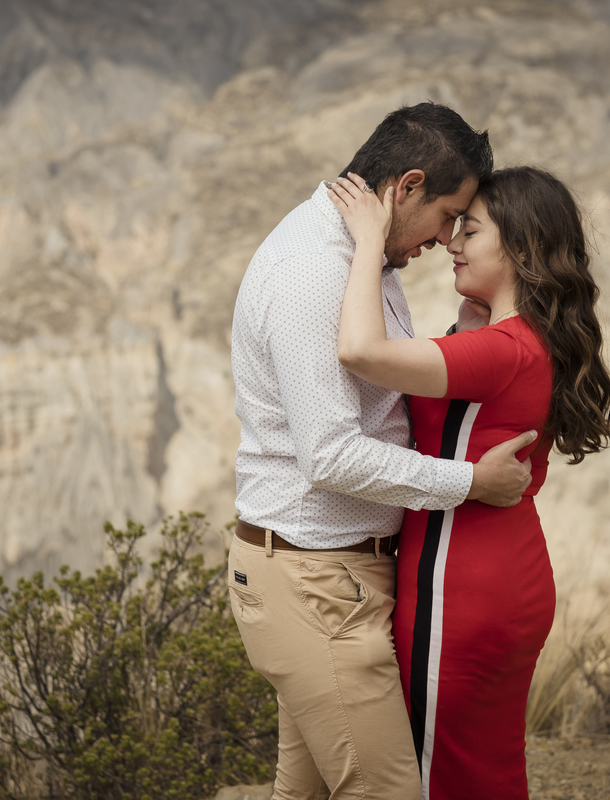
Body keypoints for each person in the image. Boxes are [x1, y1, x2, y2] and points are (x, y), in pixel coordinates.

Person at [228, 103, 537, 800]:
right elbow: (331, 455)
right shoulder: (315, 272)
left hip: (329, 578)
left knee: (301, 792)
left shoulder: (363, 255)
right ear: (407, 187)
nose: (446, 239)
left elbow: (380, 391)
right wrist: (469, 482)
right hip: (315, 586)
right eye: (447, 216)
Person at [328, 165, 610, 799]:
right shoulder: (515, 339)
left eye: (471, 230)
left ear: (518, 249)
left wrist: (369, 240)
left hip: (458, 588)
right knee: (484, 772)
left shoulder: (503, 348)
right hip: (498, 577)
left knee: (441, 778)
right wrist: (467, 322)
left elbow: (358, 351)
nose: (453, 244)